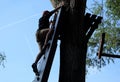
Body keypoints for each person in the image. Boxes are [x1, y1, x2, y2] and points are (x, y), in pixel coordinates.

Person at [32, 6, 61, 76]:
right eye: (47, 14)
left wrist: (50, 23)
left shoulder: (43, 20)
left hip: (39, 37)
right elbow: (51, 13)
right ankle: (45, 43)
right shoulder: (44, 17)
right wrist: (59, 7)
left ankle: (35, 63)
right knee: (52, 30)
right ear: (45, 14)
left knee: (42, 51)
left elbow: (46, 25)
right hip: (41, 33)